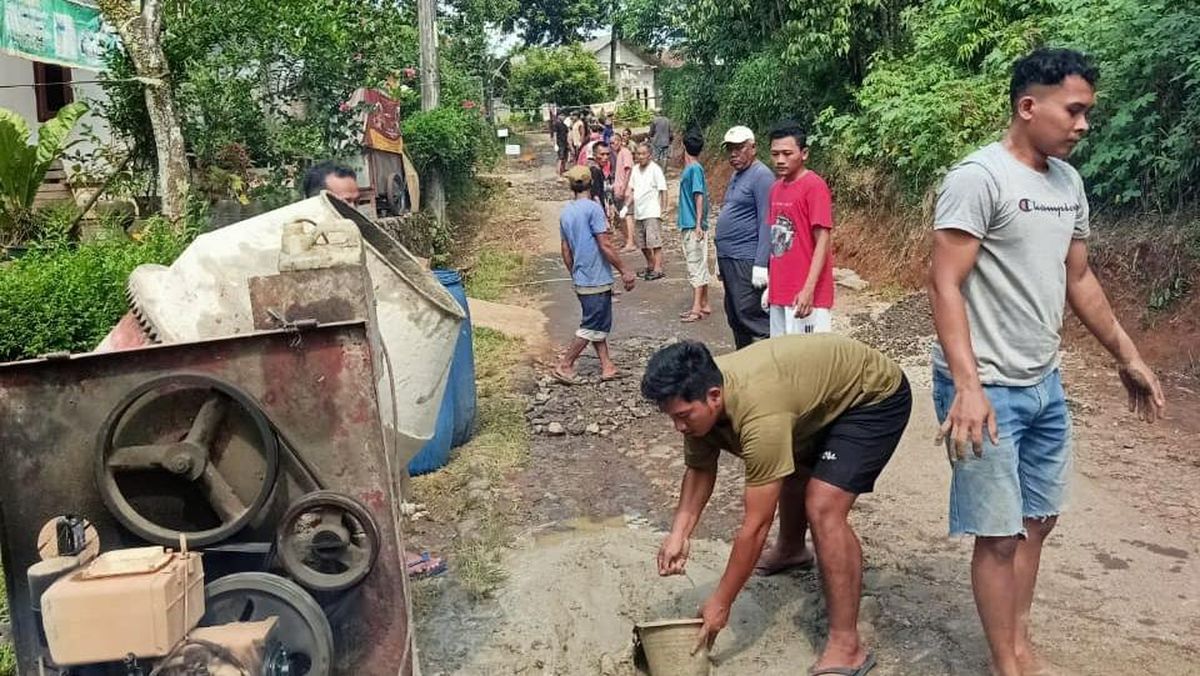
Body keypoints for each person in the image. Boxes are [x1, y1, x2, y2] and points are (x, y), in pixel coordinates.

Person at [928, 48, 1165, 676]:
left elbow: (1078, 278)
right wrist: (968, 386)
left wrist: (1127, 354)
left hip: (1042, 380)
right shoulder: (978, 178)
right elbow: (943, 284)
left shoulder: (1067, 183)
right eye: (1075, 109)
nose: (1084, 124)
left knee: (1039, 519)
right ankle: (1008, 663)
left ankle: (1018, 639)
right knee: (999, 534)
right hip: (984, 386)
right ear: (1028, 107)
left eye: (1088, 110)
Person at [642, 336, 911, 675]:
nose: (678, 427)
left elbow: (755, 527)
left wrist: (721, 603)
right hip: (811, 397)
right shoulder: (703, 397)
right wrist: (678, 534)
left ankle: (848, 646)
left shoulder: (760, 416)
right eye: (672, 418)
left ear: (714, 397)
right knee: (790, 465)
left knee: (823, 505)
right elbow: (699, 469)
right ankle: (791, 551)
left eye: (683, 416)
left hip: (871, 396)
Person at [300, 161, 449, 581]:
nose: (351, 212)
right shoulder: (302, 254)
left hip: (366, 380)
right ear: (312, 203)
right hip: (329, 391)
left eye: (355, 202)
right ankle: (379, 561)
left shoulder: (351, 247)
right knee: (356, 478)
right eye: (340, 203)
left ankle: (387, 553)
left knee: (388, 472)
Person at [552, 165, 637, 384]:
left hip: (582, 277)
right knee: (592, 324)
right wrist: (625, 270)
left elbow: (565, 249)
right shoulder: (593, 209)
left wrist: (574, 273)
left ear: (571, 186)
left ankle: (607, 366)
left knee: (598, 321)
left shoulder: (567, 212)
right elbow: (605, 245)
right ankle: (565, 364)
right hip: (596, 278)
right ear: (591, 183)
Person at [764, 121, 835, 335]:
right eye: (775, 154)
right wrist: (771, 285)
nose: (780, 160)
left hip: (806, 296)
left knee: (809, 364)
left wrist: (808, 290)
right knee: (781, 361)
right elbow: (775, 240)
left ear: (804, 153)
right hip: (779, 292)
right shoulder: (775, 189)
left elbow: (823, 240)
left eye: (787, 153)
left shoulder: (814, 187)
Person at [714, 126, 775, 348]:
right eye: (730, 149)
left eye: (739, 148)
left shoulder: (761, 176)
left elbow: (767, 221)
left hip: (746, 257)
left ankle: (777, 356)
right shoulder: (737, 175)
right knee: (734, 314)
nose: (733, 154)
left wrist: (760, 263)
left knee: (749, 312)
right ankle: (745, 362)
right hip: (729, 256)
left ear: (753, 147)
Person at [677, 129, 711, 323]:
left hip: (692, 224)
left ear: (684, 146)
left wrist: (698, 224)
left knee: (695, 265)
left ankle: (696, 307)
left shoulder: (693, 169)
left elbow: (699, 195)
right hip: (691, 223)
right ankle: (704, 303)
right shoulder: (694, 169)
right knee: (700, 263)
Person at [629, 142, 668, 280]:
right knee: (642, 242)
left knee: (654, 241)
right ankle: (650, 264)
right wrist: (626, 206)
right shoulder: (634, 170)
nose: (640, 156)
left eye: (643, 154)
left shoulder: (655, 169)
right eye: (638, 154)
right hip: (639, 211)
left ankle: (658, 268)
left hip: (652, 211)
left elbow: (663, 190)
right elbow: (632, 190)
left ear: (649, 155)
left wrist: (663, 210)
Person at [610, 133, 638, 253]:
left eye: (615, 141)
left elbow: (628, 171)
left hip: (626, 191)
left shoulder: (625, 153)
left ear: (620, 141)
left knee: (628, 216)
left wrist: (623, 187)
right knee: (623, 216)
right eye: (611, 143)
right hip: (620, 188)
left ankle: (631, 242)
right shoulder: (619, 154)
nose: (613, 144)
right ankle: (628, 240)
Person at [588, 141, 613, 218]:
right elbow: (595, 196)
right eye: (602, 154)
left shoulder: (599, 169)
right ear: (594, 155)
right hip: (595, 212)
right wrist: (603, 216)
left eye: (607, 154)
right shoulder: (595, 170)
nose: (605, 157)